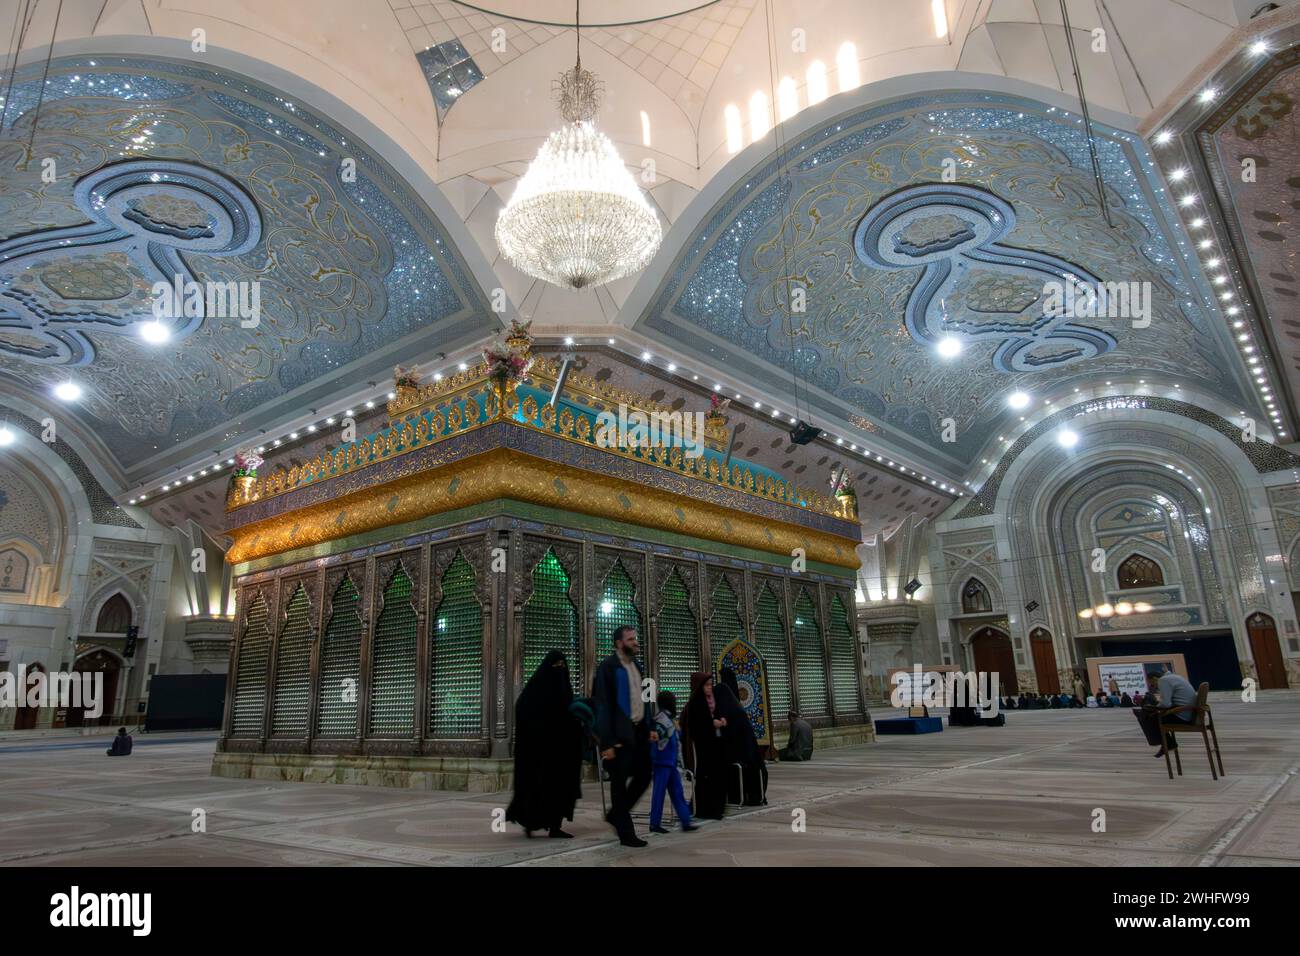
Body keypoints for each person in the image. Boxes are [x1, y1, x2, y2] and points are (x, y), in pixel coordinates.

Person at [506, 651, 583, 838]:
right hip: (540, 753)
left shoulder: (564, 688)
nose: (559, 669)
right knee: (537, 787)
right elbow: (524, 710)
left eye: (562, 665)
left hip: (561, 752)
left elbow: (568, 713)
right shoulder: (533, 692)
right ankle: (531, 823)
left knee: (560, 788)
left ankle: (555, 827)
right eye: (555, 666)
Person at [593, 625, 653, 847]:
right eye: (631, 639)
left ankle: (616, 814)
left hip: (637, 733)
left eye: (635, 638)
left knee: (645, 774)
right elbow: (603, 706)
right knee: (618, 784)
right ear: (619, 643)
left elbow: (643, 698)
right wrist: (606, 742)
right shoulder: (608, 667)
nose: (635, 642)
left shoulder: (636, 666)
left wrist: (650, 727)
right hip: (618, 736)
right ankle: (626, 834)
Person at [648, 690, 697, 835]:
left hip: (670, 762)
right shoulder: (662, 719)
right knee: (661, 793)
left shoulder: (667, 718)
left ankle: (685, 821)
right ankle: (655, 823)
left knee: (676, 792)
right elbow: (659, 735)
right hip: (663, 762)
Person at [681, 672, 727, 819]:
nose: (709, 688)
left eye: (710, 685)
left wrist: (721, 720)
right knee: (705, 778)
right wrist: (712, 723)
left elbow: (716, 715)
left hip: (716, 745)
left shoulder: (712, 700)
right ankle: (706, 809)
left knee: (716, 777)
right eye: (706, 685)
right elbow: (695, 726)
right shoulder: (695, 702)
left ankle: (715, 808)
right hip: (703, 747)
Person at [715, 677, 767, 805]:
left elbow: (729, 738)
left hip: (740, 757)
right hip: (751, 756)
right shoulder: (737, 709)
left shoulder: (728, 712)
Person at [1134, 671, 1199, 758]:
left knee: (1148, 716)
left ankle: (1167, 744)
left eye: (1152, 684)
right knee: (1149, 714)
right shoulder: (1173, 677)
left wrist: (1154, 707)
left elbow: (1165, 704)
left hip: (1183, 716)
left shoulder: (1163, 680)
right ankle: (1167, 744)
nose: (1154, 687)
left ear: (1154, 678)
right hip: (1189, 713)